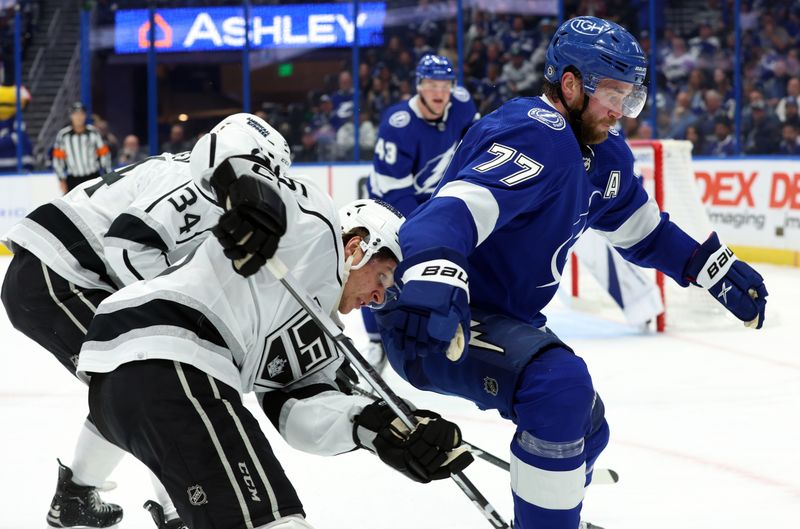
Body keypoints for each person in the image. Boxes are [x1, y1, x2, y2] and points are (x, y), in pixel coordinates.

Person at [375, 16, 768, 529]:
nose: (620, 111)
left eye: (630, 98)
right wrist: (432, 272)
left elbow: (645, 232)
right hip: (435, 313)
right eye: (611, 94)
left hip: (494, 315)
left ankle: (550, 513)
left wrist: (710, 267)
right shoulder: (537, 132)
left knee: (588, 426)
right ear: (569, 83)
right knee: (558, 388)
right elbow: (457, 209)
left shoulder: (603, 155)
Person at [76, 153, 473, 528]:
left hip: (131, 384)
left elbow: (296, 412)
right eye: (383, 277)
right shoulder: (310, 221)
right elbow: (233, 139)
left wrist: (378, 427)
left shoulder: (322, 333)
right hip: (165, 348)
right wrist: (250, 201)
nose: (378, 298)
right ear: (357, 246)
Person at [0, 113, 283, 529]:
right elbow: (127, 246)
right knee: (149, 380)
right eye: (267, 171)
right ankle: (165, 510)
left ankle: (77, 494)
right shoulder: (199, 184)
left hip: (54, 273)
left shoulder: (192, 170)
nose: (268, 184)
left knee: (138, 384)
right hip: (58, 276)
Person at [364, 54, 478, 371]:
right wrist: (429, 231)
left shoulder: (464, 105)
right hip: (390, 203)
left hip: (438, 202)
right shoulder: (398, 124)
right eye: (431, 84)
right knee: (377, 264)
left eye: (444, 85)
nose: (438, 92)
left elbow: (477, 146)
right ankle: (376, 341)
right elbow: (395, 191)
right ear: (419, 86)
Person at [52, 102, 112, 194]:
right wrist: (61, 179)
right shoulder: (63, 135)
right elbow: (57, 159)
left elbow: (104, 154)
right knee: (72, 207)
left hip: (93, 177)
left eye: (81, 114)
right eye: (75, 114)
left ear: (85, 116)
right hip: (73, 179)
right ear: (71, 116)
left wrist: (107, 175)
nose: (79, 117)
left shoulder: (94, 132)